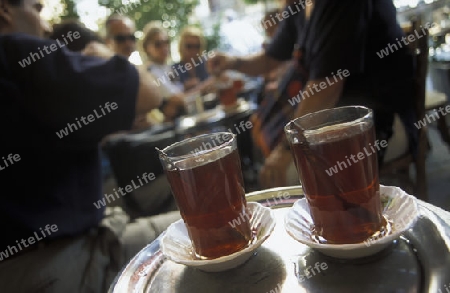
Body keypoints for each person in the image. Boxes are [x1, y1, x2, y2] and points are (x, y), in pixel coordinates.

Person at [0, 1, 180, 292]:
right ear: (5, 9)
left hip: (27, 264)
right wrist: (105, 55)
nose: (46, 27)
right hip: (55, 263)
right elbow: (149, 93)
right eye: (37, 8)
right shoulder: (14, 53)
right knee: (206, 227)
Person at [208, 0, 416, 189]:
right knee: (266, 156)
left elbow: (327, 86)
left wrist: (286, 149)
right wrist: (232, 62)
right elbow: (270, 58)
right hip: (334, 113)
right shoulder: (298, 6)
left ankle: (339, 225)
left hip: (380, 118)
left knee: (287, 178)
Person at [142, 21, 186, 122]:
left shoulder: (166, 67)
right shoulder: (151, 71)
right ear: (147, 48)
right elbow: (178, 99)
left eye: (166, 42)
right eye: (158, 44)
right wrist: (204, 88)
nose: (164, 47)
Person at [174, 26, 212, 92]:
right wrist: (183, 87)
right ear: (181, 46)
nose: (193, 50)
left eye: (197, 46)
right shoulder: (174, 69)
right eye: (189, 46)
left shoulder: (207, 64)